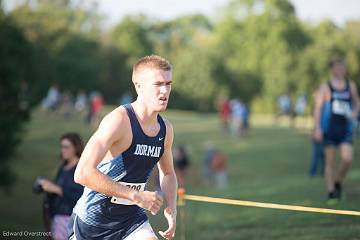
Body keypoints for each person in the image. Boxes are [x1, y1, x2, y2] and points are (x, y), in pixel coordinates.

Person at [69, 55, 178, 240]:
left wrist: (172, 208)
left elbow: (168, 173)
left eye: (168, 83)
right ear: (138, 86)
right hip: (92, 221)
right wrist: (135, 196)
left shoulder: (165, 129)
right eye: (158, 84)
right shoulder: (119, 120)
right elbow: (82, 174)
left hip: (132, 221)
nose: (164, 90)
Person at [313, 57, 360, 204]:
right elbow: (318, 108)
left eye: (343, 67)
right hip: (330, 130)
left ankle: (338, 182)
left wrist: (354, 114)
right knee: (330, 163)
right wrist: (317, 128)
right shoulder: (325, 87)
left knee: (347, 159)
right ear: (332, 69)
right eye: (338, 67)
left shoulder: (350, 85)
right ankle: (331, 192)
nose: (341, 70)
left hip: (345, 129)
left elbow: (357, 103)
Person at [37, 133, 84, 240]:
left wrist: (56, 189)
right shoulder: (63, 167)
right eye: (62, 146)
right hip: (57, 217)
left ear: (76, 148)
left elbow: (81, 196)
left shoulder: (81, 169)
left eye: (66, 147)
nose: (63, 150)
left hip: (70, 219)